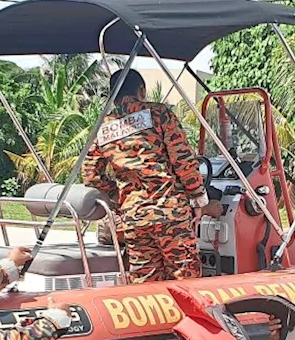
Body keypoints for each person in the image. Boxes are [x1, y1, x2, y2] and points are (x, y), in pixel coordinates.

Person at [82, 68, 221, 283]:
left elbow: (91, 175)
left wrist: (120, 196)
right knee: (186, 280)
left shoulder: (103, 128)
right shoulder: (159, 114)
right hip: (170, 213)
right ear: (142, 90)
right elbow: (183, 161)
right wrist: (199, 198)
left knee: (146, 284)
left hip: (134, 218)